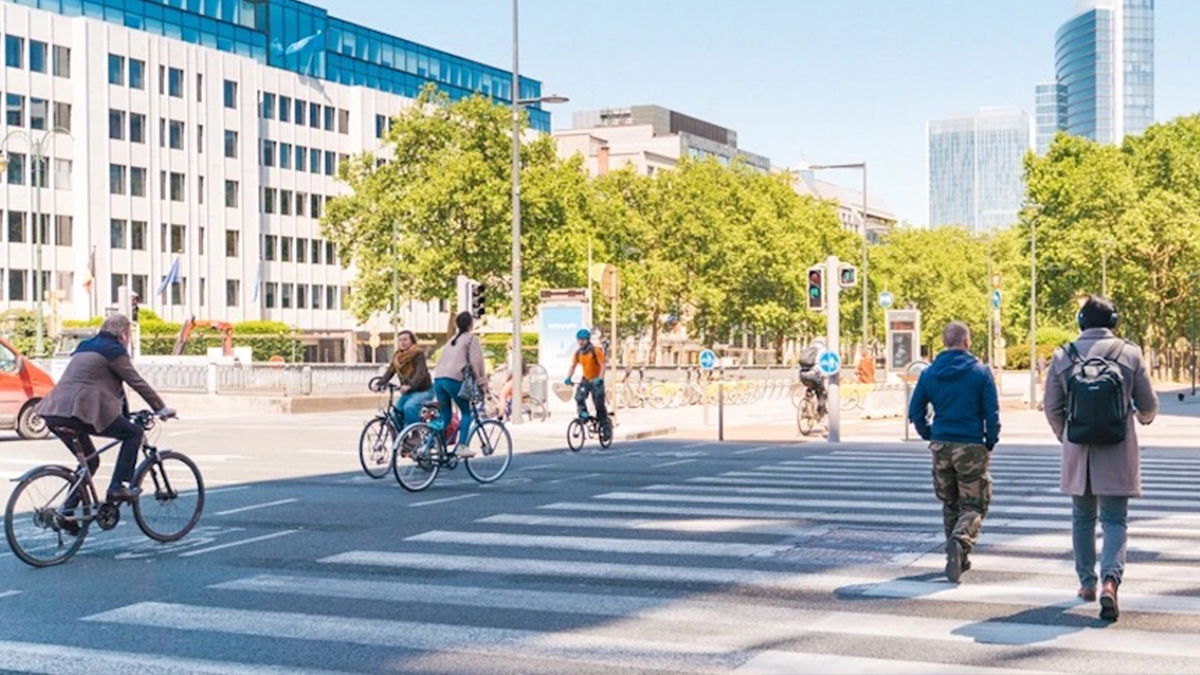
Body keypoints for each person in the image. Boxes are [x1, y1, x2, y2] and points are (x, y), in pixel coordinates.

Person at [1043, 295, 1156, 621]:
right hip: (1117, 451)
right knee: (1115, 520)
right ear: (1114, 322)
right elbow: (1147, 404)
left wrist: (1066, 435)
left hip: (1079, 452)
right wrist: (1144, 418)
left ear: (1081, 321)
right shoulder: (1130, 354)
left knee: (1082, 519)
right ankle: (1111, 582)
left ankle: (1087, 584)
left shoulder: (1063, 355)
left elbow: (1052, 407)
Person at [36, 314, 174, 509]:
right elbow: (136, 382)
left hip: (54, 411)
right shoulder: (114, 351)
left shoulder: (85, 346)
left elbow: (113, 386)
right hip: (78, 413)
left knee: (90, 462)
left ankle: (66, 512)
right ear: (124, 333)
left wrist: (124, 416)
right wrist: (160, 408)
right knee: (134, 433)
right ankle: (118, 487)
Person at [907, 321, 1000, 583]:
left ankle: (958, 557)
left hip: (941, 444)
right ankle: (960, 542)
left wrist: (930, 434)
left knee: (950, 502)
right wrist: (990, 440)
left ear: (945, 342)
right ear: (967, 341)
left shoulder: (928, 374)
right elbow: (991, 412)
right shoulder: (980, 372)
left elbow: (915, 412)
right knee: (975, 504)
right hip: (970, 444)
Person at [432, 312, 486, 458]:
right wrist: (481, 382)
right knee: (466, 412)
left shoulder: (451, 340)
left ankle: (428, 444)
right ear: (471, 324)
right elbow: (476, 363)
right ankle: (462, 446)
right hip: (454, 380)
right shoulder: (471, 339)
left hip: (438, 380)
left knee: (446, 418)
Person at [375, 330, 433, 428]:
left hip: (423, 390)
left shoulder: (418, 353)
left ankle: (415, 433)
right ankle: (403, 439)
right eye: (400, 340)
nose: (402, 342)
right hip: (408, 392)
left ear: (412, 341)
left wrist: (410, 385)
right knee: (395, 413)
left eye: (405, 340)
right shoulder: (397, 357)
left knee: (409, 407)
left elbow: (420, 373)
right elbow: (390, 371)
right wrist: (379, 384)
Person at [564, 329, 608, 428]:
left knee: (598, 403)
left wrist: (600, 378)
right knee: (579, 397)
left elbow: (603, 365)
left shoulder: (595, 351)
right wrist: (568, 378)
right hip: (586, 380)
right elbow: (573, 366)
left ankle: (605, 425)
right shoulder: (578, 353)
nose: (581, 342)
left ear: (588, 340)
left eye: (583, 340)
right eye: (579, 340)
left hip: (596, 380)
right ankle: (584, 415)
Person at [798, 339, 828, 416]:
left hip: (802, 374)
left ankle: (806, 405)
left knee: (810, 387)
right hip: (814, 374)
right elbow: (823, 365)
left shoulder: (807, 349)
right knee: (821, 392)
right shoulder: (822, 350)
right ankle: (821, 413)